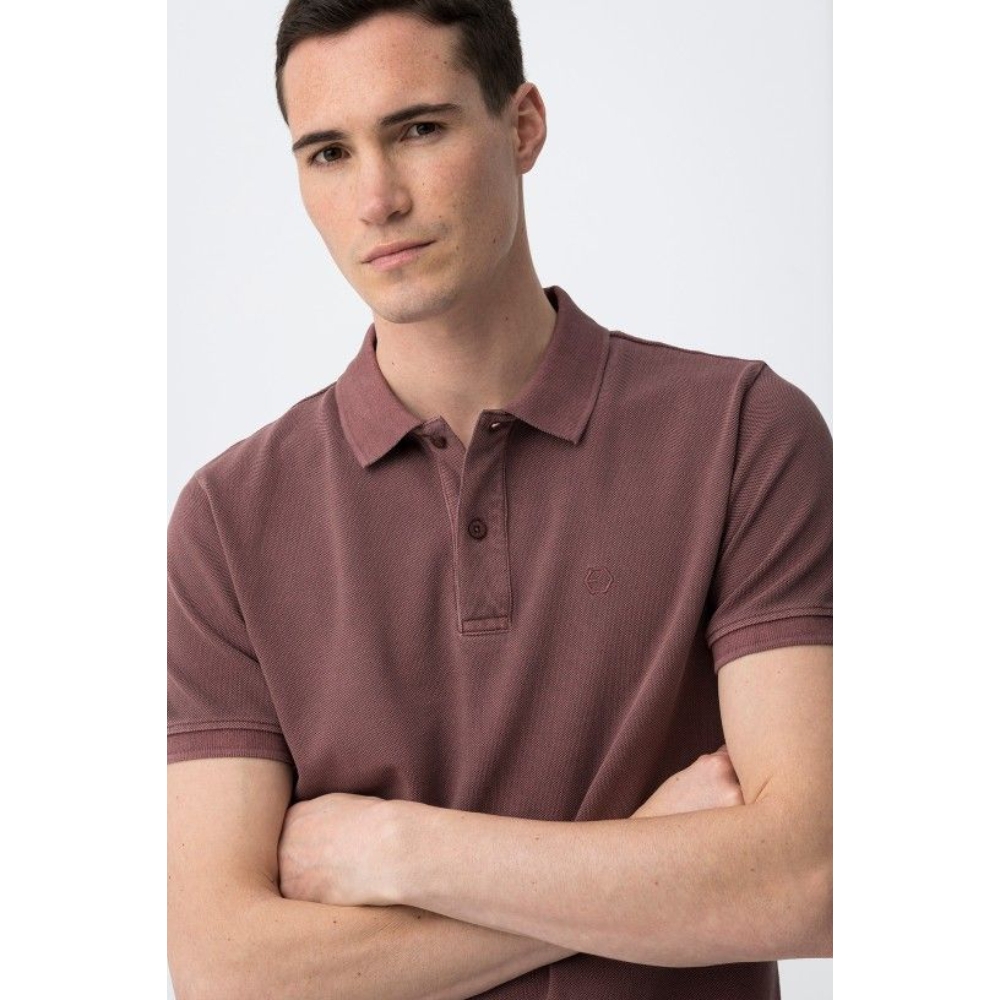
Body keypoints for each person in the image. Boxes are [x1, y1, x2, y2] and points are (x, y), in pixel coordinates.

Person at [167, 1, 833, 997]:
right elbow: (226, 971)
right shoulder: (227, 520)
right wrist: (647, 860)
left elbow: (812, 878)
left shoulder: (744, 433)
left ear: (522, 127)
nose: (376, 199)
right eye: (329, 153)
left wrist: (400, 850)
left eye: (417, 130)